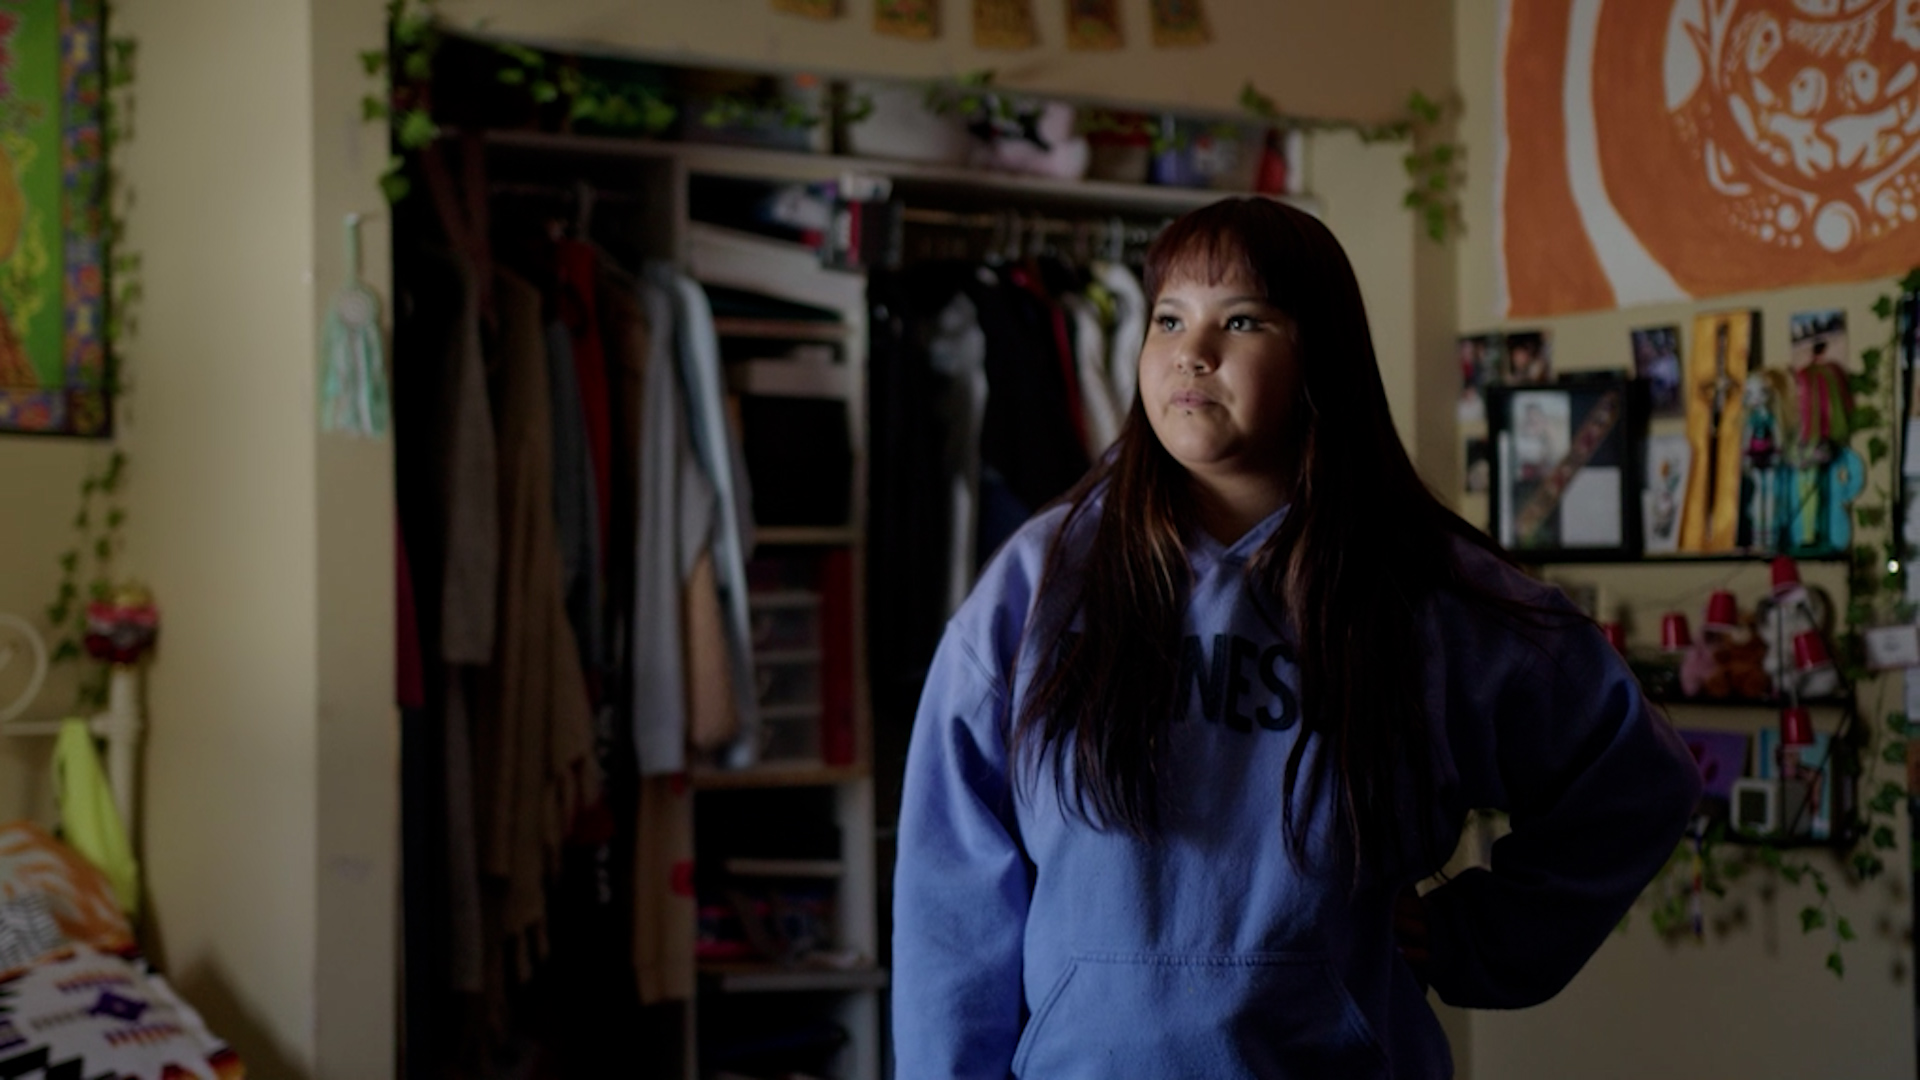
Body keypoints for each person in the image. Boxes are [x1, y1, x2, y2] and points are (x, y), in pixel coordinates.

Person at [890, 197, 1701, 1078]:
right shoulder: (1038, 582)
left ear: (1323, 357)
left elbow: (1635, 778)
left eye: (1242, 319)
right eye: (1169, 318)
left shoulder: (1424, 592)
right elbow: (952, 890)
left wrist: (1479, 935)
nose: (1193, 351)